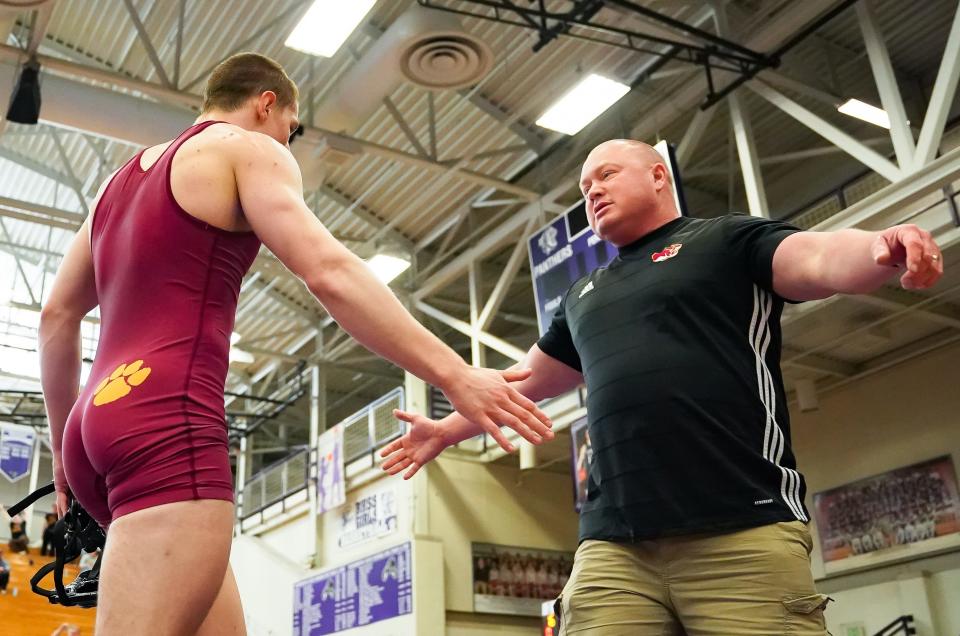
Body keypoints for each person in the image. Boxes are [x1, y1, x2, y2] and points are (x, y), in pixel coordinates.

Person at [38, 52, 553, 636]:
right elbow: (329, 271)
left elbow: (57, 317)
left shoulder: (115, 185)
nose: (289, 139)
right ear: (266, 104)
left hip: (93, 429)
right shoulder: (247, 149)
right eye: (291, 125)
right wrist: (455, 374)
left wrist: (62, 451)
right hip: (164, 422)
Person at [381, 139, 944, 634]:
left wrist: (880, 247)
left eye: (606, 174)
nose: (592, 192)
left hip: (740, 526)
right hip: (614, 545)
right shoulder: (583, 294)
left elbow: (819, 257)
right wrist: (447, 431)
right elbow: (522, 382)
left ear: (658, 176)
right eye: (584, 188)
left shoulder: (724, 240)